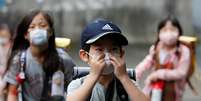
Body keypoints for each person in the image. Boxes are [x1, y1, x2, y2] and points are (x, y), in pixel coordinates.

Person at [66, 19, 149, 101]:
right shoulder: (78, 85)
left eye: (113, 49)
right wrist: (94, 75)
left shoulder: (128, 85)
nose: (107, 55)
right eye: (99, 49)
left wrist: (124, 77)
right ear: (84, 55)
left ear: (121, 54)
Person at [4, 10, 75, 101]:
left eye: (42, 26)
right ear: (26, 34)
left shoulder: (63, 59)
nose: (37, 30)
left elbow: (74, 90)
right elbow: (12, 93)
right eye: (32, 27)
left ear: (50, 32)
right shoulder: (19, 60)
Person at [135, 16, 191, 101]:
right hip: (154, 89)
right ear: (159, 33)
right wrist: (134, 74)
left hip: (173, 92)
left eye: (172, 29)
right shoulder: (156, 48)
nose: (168, 33)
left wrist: (158, 74)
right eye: (165, 30)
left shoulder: (183, 51)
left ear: (179, 32)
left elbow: (181, 72)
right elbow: (147, 62)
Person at [0, 23, 12, 101]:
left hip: (9, 77)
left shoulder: (12, 48)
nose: (3, 38)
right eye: (1, 35)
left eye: (5, 35)